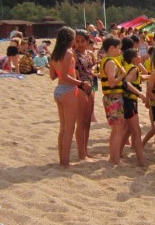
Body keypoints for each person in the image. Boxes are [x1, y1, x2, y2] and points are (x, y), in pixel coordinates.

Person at [50, 26, 91, 168]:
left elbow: (53, 76)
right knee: (69, 129)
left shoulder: (55, 54)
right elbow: (66, 76)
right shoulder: (68, 53)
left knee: (63, 128)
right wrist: (81, 83)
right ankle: (65, 162)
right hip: (68, 91)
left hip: (58, 91)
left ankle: (62, 160)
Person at [100, 35, 128, 166]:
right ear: (112, 48)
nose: (120, 51)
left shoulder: (106, 60)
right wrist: (122, 75)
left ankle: (113, 157)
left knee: (115, 129)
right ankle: (115, 159)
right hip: (114, 97)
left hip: (111, 97)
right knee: (118, 129)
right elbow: (111, 83)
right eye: (118, 48)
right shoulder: (110, 62)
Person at [121, 48, 148, 166]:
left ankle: (119, 152)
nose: (140, 56)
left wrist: (154, 75)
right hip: (129, 101)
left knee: (129, 129)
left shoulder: (128, 67)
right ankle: (141, 159)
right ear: (133, 59)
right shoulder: (134, 68)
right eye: (138, 55)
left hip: (127, 100)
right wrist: (140, 94)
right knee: (137, 130)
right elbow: (127, 83)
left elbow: (142, 77)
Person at [74, 29, 97, 161]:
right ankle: (81, 153)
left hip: (90, 87)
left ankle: (86, 151)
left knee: (88, 121)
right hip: (80, 88)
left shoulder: (90, 54)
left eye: (83, 41)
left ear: (87, 41)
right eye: (77, 41)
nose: (80, 44)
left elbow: (93, 68)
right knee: (81, 122)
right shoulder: (73, 54)